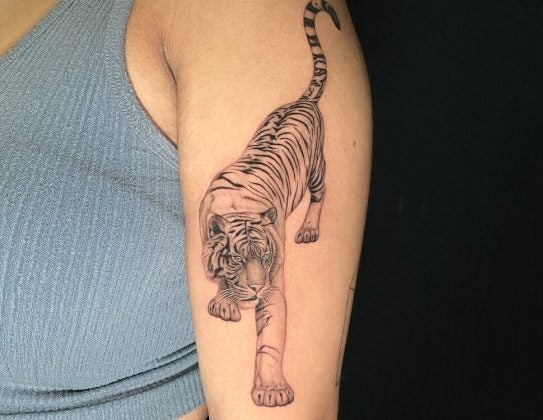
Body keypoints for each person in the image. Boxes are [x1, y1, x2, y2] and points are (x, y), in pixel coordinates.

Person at [0, 0, 372, 418]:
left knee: (315, 183)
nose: (254, 282)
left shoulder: (240, 16)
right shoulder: (216, 212)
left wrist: (268, 374)